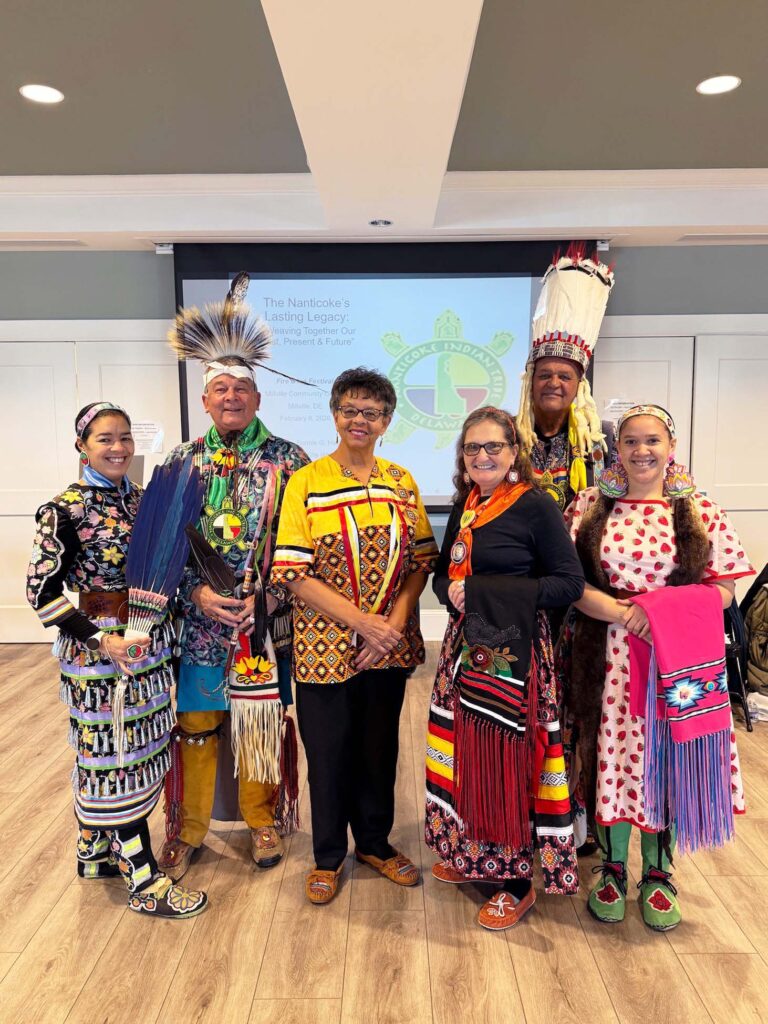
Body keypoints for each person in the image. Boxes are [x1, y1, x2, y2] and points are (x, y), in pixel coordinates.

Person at [565, 404, 754, 930]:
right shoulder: (587, 505)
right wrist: (628, 613)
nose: (641, 450)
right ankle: (610, 867)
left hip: (677, 661)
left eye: (652, 440)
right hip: (606, 654)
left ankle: (658, 871)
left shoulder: (699, 510)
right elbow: (570, 581)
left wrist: (657, 614)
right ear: (615, 449)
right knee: (609, 755)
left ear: (671, 447)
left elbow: (722, 589)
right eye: (630, 441)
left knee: (664, 759)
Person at [26, 401, 207, 919]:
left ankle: (94, 848)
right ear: (81, 445)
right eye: (105, 439)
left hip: (147, 646)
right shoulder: (65, 509)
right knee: (113, 758)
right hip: (100, 656)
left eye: (125, 437)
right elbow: (41, 589)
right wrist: (99, 640)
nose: (119, 448)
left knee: (141, 748)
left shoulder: (145, 501)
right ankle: (143, 878)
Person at [158, 278, 309, 881]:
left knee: (259, 722)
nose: (231, 397)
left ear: (258, 397)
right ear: (204, 400)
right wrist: (195, 592)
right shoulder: (180, 462)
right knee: (196, 724)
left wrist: (265, 597)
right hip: (197, 622)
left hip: (262, 624)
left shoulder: (291, 461)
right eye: (220, 388)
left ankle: (260, 818)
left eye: (241, 388)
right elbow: (161, 551)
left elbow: (303, 548)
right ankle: (188, 829)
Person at [271, 367, 438, 904]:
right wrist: (362, 623)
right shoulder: (308, 481)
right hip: (324, 645)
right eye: (349, 409)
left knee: (377, 748)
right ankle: (326, 856)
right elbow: (292, 571)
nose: (359, 419)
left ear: (387, 421)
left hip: (388, 646)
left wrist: (389, 627)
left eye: (371, 412)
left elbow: (421, 561)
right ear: (335, 414)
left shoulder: (401, 480)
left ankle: (374, 843)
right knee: (326, 751)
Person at [426, 406, 584, 930]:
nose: (483, 456)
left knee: (509, 760)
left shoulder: (534, 505)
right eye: (473, 448)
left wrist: (482, 592)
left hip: (517, 657)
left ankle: (516, 882)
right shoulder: (467, 503)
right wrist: (454, 594)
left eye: (494, 446)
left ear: (515, 452)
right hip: (463, 650)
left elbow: (568, 584)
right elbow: (444, 576)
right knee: (466, 753)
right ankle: (473, 854)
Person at [516, 246, 616, 513]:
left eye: (565, 376)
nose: (554, 383)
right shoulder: (509, 434)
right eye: (545, 375)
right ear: (530, 381)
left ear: (579, 386)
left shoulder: (605, 436)